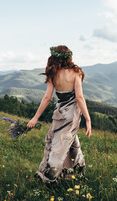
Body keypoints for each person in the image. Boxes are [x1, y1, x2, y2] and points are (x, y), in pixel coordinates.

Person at [27, 45, 92, 183]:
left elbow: (47, 98)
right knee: (61, 144)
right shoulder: (76, 72)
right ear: (69, 57)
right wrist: (87, 118)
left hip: (60, 111)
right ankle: (50, 177)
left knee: (63, 140)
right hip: (72, 113)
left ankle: (75, 170)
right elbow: (79, 97)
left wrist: (35, 117)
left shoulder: (53, 74)